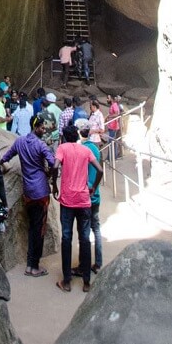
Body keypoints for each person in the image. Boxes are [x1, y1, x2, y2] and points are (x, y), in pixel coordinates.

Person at [1, 116, 56, 277]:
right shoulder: (40, 145)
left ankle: (30, 265)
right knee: (39, 230)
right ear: (36, 127)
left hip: (28, 192)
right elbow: (54, 163)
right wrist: (50, 175)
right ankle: (34, 266)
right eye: (42, 127)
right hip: (41, 192)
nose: (44, 130)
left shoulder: (20, 142)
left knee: (32, 227)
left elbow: (5, 157)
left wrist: (3, 166)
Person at [53, 124, 102, 293]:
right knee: (85, 238)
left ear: (65, 137)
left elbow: (55, 166)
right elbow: (100, 170)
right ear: (77, 136)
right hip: (83, 200)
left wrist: (54, 185)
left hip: (67, 201)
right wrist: (93, 187)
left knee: (66, 238)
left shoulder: (62, 148)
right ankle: (86, 282)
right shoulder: (85, 150)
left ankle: (67, 281)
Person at [78, 120, 103, 275]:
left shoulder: (82, 150)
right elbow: (99, 170)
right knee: (96, 229)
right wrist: (95, 187)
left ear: (79, 132)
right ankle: (98, 264)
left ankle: (84, 265)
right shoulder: (95, 148)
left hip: (86, 195)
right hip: (96, 194)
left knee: (84, 232)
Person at [106, 94, 122, 160]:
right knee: (112, 142)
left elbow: (117, 114)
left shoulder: (114, 105)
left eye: (108, 98)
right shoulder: (113, 105)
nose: (107, 99)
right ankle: (111, 157)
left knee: (111, 142)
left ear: (112, 99)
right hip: (111, 126)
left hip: (113, 126)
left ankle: (112, 157)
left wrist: (109, 116)